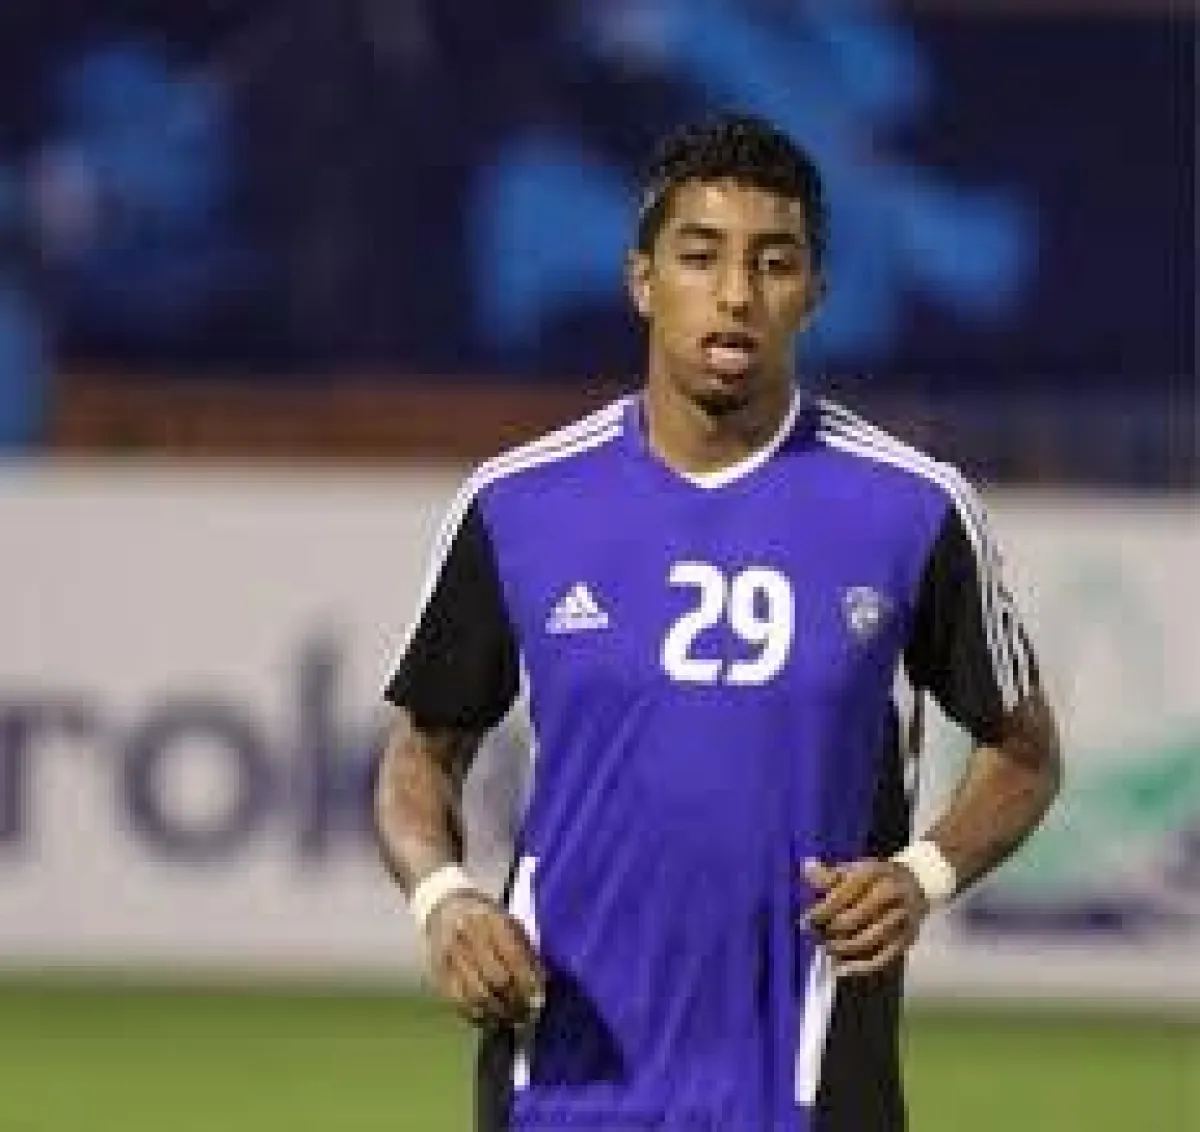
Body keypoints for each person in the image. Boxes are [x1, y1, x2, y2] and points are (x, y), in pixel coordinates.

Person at [373, 112, 1062, 1132]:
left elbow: (1026, 751)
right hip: (564, 1076)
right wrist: (444, 900)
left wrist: (921, 875)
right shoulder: (518, 504)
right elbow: (419, 757)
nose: (737, 293)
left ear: (814, 293)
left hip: (809, 1080)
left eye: (774, 263)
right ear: (642, 281)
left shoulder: (912, 508)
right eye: (700, 256)